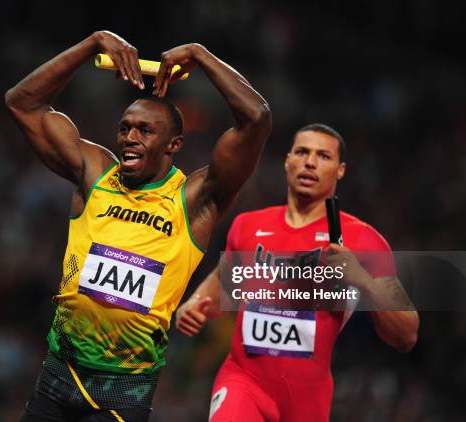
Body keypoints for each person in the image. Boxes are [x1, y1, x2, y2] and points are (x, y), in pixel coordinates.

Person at [5, 30, 271, 421]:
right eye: (125, 127)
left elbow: (257, 118)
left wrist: (200, 56)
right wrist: (91, 44)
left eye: (145, 131)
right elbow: (22, 103)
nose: (130, 137)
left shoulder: (195, 198)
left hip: (123, 391)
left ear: (173, 145)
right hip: (59, 375)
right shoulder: (95, 172)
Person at [176, 124, 420, 422]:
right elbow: (223, 282)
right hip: (243, 380)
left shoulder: (363, 240)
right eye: (302, 152)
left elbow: (407, 334)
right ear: (287, 160)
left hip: (307, 400)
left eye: (323, 156)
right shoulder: (247, 225)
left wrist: (362, 280)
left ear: (340, 170)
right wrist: (196, 302)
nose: (310, 162)